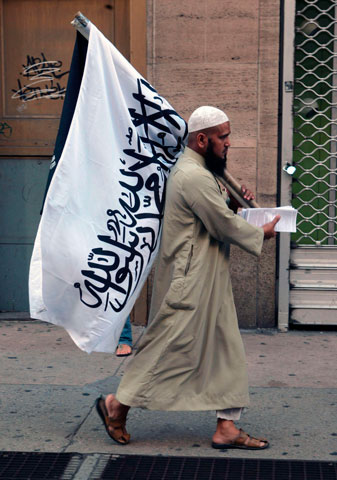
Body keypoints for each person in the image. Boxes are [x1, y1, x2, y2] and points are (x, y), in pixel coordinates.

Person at [95, 106, 280, 450]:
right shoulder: (192, 176)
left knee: (226, 351)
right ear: (201, 139)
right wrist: (262, 232)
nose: (228, 143)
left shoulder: (202, 171)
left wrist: (238, 205)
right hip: (190, 282)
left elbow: (217, 214)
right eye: (222, 137)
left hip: (207, 278)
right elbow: (220, 224)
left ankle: (226, 428)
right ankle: (115, 405)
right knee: (166, 350)